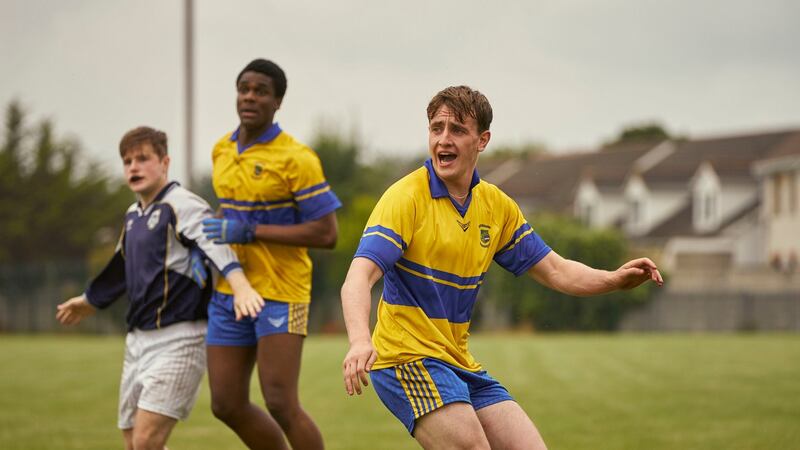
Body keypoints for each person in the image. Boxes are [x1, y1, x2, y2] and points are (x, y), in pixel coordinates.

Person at [340, 85, 664, 450]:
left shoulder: (496, 207)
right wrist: (358, 340)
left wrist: (615, 279)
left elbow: (555, 270)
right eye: (436, 128)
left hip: (458, 361)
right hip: (405, 358)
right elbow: (358, 277)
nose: (443, 140)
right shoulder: (405, 198)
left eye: (457, 130)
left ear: (482, 140)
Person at [56, 126, 265, 450]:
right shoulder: (133, 214)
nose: (133, 167)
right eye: (127, 161)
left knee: (145, 441)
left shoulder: (182, 204)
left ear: (165, 163)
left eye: (143, 159)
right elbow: (121, 268)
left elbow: (215, 246)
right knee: (132, 439)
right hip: (138, 341)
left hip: (180, 338)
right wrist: (89, 301)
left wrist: (240, 286)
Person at [202, 58, 340, 450]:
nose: (249, 96)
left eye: (260, 90)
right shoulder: (221, 150)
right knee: (225, 403)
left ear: (277, 101)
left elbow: (327, 233)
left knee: (280, 402)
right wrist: (207, 240)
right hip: (231, 290)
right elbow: (226, 210)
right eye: (243, 88)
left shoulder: (297, 158)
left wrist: (250, 231)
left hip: (282, 290)